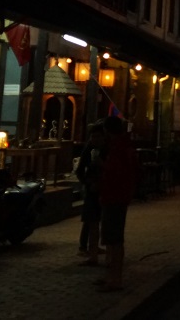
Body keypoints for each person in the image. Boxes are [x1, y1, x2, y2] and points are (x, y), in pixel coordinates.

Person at [95, 115, 139, 292]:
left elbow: (116, 172)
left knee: (114, 239)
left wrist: (102, 165)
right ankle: (111, 276)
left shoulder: (118, 148)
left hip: (115, 196)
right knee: (111, 238)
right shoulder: (122, 146)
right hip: (116, 196)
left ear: (108, 131)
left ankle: (115, 279)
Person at [75, 123, 105, 265]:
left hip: (104, 189)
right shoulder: (89, 149)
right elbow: (80, 170)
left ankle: (95, 247)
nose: (95, 139)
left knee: (98, 220)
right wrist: (87, 183)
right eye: (93, 136)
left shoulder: (106, 149)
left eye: (98, 136)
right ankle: (84, 247)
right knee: (90, 219)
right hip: (91, 188)